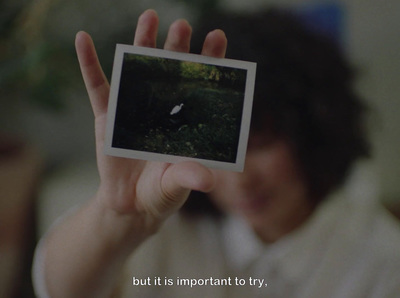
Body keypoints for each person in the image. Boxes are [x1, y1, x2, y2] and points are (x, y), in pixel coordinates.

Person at [33, 8, 400, 298]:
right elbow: (60, 289)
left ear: (314, 132)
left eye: (260, 145)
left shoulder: (382, 260)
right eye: (220, 151)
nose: (241, 180)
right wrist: (119, 216)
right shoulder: (170, 216)